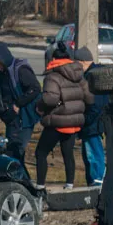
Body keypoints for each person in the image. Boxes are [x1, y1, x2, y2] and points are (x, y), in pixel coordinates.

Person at [34, 41, 93, 189]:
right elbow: (90, 98)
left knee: (41, 152)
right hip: (73, 123)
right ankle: (70, 185)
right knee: (68, 154)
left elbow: (50, 99)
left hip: (57, 121)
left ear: (53, 59)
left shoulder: (52, 76)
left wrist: (39, 106)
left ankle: (40, 186)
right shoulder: (79, 75)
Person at [0, 43, 41, 168]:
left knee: (17, 151)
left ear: (3, 59)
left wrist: (18, 104)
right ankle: (19, 179)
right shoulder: (2, 75)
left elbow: (35, 88)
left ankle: (22, 180)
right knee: (11, 151)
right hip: (11, 118)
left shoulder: (21, 70)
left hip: (24, 118)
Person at [73, 47, 107, 187]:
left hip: (92, 124)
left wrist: (84, 121)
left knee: (93, 154)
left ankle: (97, 182)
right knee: (89, 155)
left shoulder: (92, 78)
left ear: (82, 62)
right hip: (92, 123)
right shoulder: (95, 75)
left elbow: (95, 105)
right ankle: (93, 181)